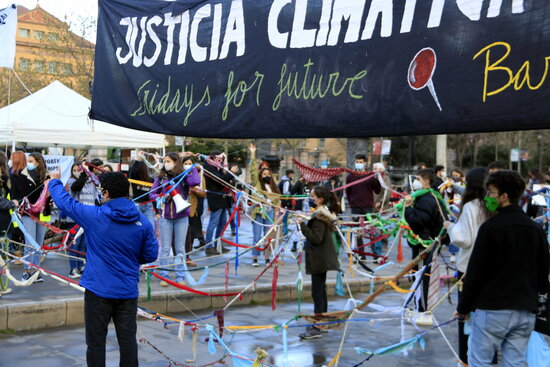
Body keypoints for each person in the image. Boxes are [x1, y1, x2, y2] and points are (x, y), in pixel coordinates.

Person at [48, 170, 158, 367]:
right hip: (127, 291)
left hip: (98, 291)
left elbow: (66, 202)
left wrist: (55, 181)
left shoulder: (95, 216)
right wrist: (131, 258)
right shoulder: (144, 222)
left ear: (106, 193)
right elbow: (150, 255)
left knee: (96, 343)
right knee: (127, 342)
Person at [455, 170, 549, 366]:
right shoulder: (535, 229)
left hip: (493, 309)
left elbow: (476, 272)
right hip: (525, 310)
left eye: (491, 193)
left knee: (480, 361)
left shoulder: (491, 228)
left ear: (504, 197)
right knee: (515, 362)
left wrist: (464, 307)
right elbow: (543, 272)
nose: (488, 197)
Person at [443, 167, 491, 366]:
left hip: (469, 268)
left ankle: (465, 359)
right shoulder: (494, 206)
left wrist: (450, 227)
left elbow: (463, 239)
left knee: (466, 313)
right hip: (493, 268)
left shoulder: (472, 206)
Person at [149, 152, 199, 287]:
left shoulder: (183, 177)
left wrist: (192, 167)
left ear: (176, 162)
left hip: (181, 216)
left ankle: (180, 276)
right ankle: (164, 276)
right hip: (165, 216)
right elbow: (152, 193)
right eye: (165, 161)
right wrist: (162, 196)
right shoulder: (160, 178)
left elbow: (195, 182)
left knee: (180, 248)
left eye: (168, 161)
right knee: (165, 248)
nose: (166, 163)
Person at [298, 185, 340, 340]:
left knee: (318, 292)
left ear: (320, 199)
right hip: (323, 257)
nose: (311, 199)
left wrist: (301, 224)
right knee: (321, 291)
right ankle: (321, 321)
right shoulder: (323, 214)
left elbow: (316, 238)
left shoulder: (319, 217)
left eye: (313, 197)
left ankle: (317, 326)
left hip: (319, 258)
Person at [404, 168, 447, 311]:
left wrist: (408, 207)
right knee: (423, 277)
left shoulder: (426, 199)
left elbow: (417, 221)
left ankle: (422, 309)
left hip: (425, 244)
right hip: (429, 242)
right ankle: (421, 307)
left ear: (426, 181)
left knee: (422, 277)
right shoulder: (432, 197)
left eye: (418, 179)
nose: (415, 182)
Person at [11, 152, 51, 283]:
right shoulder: (22, 176)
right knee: (30, 243)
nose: (29, 163)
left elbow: (48, 196)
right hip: (28, 213)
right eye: (28, 160)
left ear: (38, 162)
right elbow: (22, 195)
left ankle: (36, 272)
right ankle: (26, 271)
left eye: (31, 161)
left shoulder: (45, 176)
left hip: (42, 213)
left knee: (38, 244)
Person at [248, 143, 281, 266]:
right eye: (264, 174)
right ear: (260, 176)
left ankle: (267, 258)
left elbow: (277, 198)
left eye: (268, 174)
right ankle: (255, 258)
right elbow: (252, 170)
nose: (266, 176)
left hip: (270, 212)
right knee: (257, 236)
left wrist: (277, 211)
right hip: (258, 211)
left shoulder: (273, 185)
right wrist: (252, 153)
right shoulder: (257, 183)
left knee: (269, 236)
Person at [66, 162, 99, 278]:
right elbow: (76, 187)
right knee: (75, 244)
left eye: (79, 170)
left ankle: (80, 266)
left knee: (83, 244)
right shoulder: (72, 182)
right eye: (75, 170)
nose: (77, 172)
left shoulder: (92, 184)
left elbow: (95, 200)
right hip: (75, 218)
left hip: (88, 218)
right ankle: (73, 268)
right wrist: (83, 175)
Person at [345, 154, 381, 259]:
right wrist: (352, 202)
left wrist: (377, 178)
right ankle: (361, 254)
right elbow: (348, 192)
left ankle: (375, 255)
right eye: (357, 162)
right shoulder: (350, 176)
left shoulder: (370, 176)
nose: (358, 164)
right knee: (357, 230)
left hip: (368, 207)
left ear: (365, 163)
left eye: (360, 162)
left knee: (371, 230)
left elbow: (377, 190)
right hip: (355, 207)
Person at [203, 151, 239, 255]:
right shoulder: (209, 169)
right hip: (215, 198)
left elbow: (226, 181)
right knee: (213, 222)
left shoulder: (219, 168)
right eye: (218, 159)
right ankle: (209, 246)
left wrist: (233, 174)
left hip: (224, 198)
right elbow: (220, 180)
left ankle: (218, 244)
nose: (220, 161)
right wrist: (229, 173)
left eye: (221, 159)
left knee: (222, 223)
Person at [182, 155, 206, 267]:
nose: (187, 166)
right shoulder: (179, 176)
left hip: (192, 209)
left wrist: (193, 190)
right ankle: (180, 256)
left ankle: (187, 256)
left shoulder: (199, 176)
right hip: (179, 209)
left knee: (189, 234)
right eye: (185, 163)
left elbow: (203, 193)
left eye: (189, 163)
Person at [129, 160, 154, 225]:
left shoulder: (151, 180)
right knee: (139, 226)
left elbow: (153, 194)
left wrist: (156, 211)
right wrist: (137, 160)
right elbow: (132, 171)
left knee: (149, 226)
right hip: (138, 205)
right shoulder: (134, 180)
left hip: (148, 205)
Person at [278, 169, 295, 236]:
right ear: (289, 174)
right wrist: (292, 192)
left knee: (284, 216)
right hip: (285, 201)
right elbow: (285, 192)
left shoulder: (283, 180)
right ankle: (285, 232)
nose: (293, 175)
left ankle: (284, 231)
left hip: (283, 201)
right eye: (292, 174)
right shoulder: (286, 182)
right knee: (285, 216)